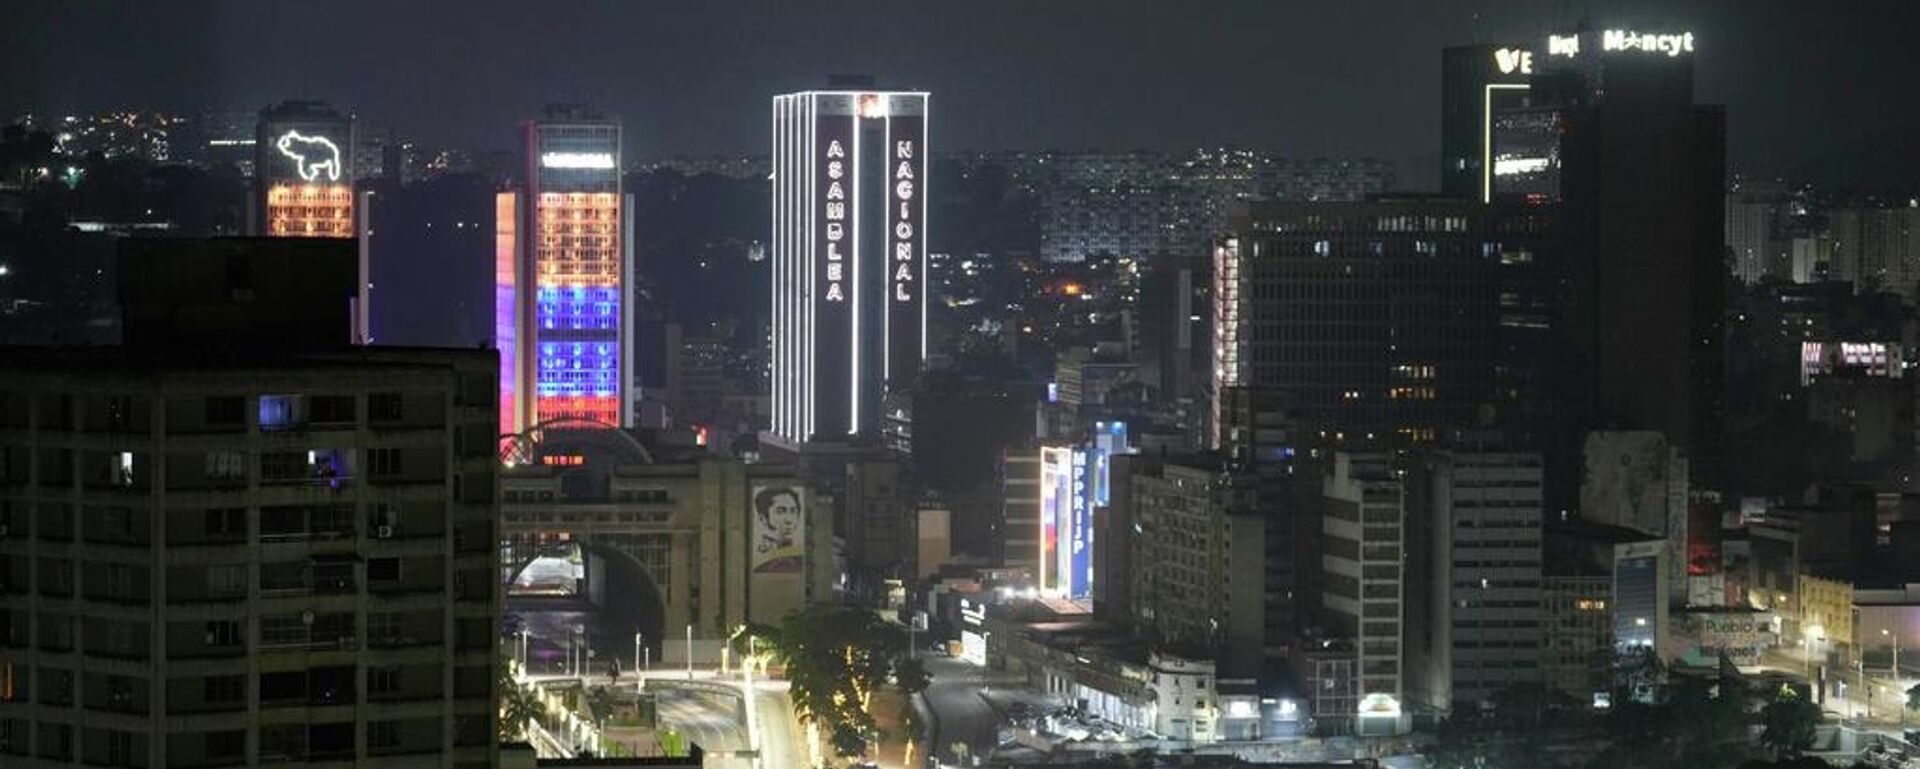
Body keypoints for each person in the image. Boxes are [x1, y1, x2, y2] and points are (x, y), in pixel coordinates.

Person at [752, 486, 803, 572]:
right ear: (763, 518)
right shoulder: (761, 559)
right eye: (780, 511)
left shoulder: (799, 557)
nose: (789, 519)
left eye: (793, 511)